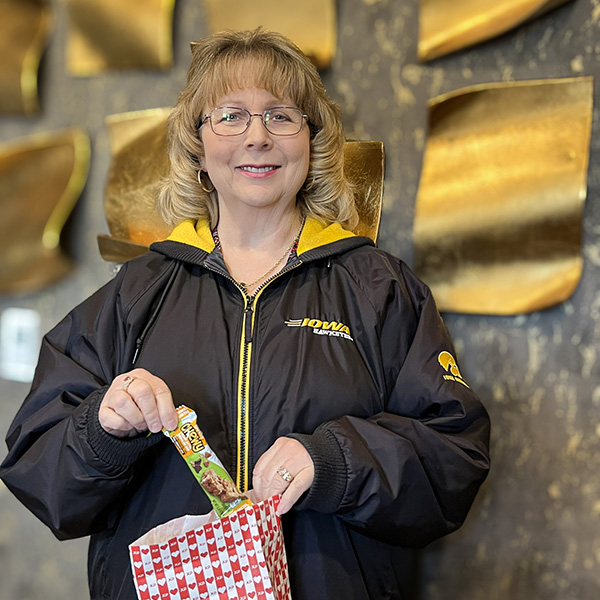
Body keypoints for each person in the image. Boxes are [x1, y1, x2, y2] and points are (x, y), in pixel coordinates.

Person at [0, 28, 490, 600]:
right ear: (198, 148)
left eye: (281, 116)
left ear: (313, 141)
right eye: (230, 116)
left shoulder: (380, 290)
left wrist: (333, 461)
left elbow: (455, 458)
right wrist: (105, 430)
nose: (257, 138)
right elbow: (39, 473)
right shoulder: (134, 295)